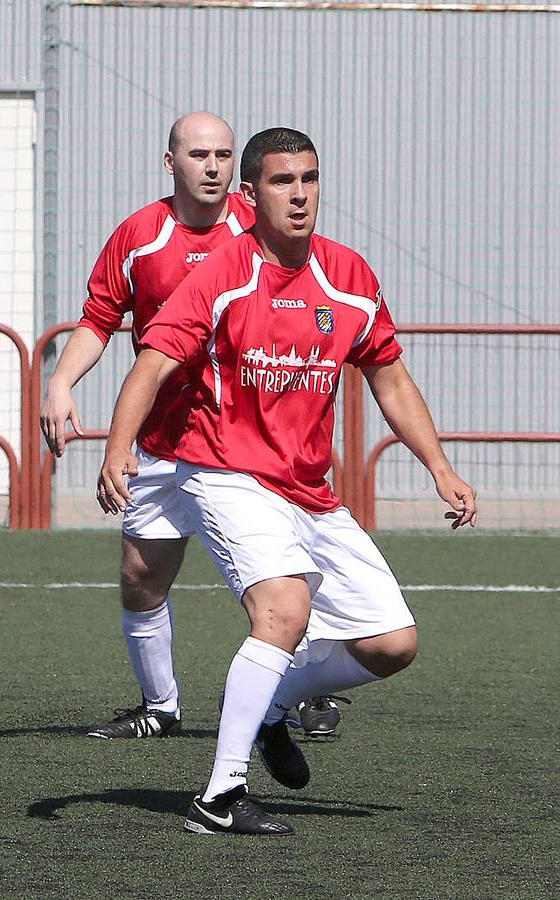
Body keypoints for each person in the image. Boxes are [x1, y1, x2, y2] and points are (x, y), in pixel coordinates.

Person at [97, 127, 476, 835]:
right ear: (251, 193)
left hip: (309, 489)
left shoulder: (350, 276)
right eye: (281, 181)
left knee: (392, 644)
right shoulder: (222, 273)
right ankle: (219, 797)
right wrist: (119, 448)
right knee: (283, 610)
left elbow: (390, 377)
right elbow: (152, 362)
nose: (299, 194)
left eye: (309, 178)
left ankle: (271, 704)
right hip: (227, 472)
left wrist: (440, 466)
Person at [41, 112, 252, 740]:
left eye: (223, 155)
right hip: (160, 440)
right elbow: (99, 318)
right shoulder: (139, 235)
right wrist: (60, 382)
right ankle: (160, 707)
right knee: (140, 576)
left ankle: (301, 693)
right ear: (170, 163)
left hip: (242, 444)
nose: (212, 167)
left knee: (272, 577)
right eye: (199, 155)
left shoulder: (258, 228)